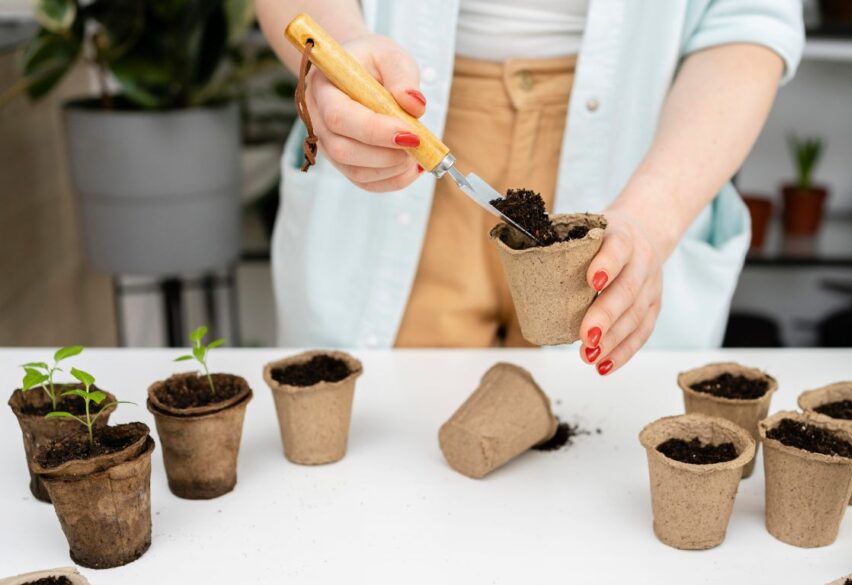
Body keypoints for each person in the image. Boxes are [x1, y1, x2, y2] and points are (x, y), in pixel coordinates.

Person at [255, 0, 804, 374]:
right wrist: (345, 51)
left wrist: (653, 216)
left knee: (587, 470)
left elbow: (749, 21)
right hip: (401, 123)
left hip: (642, 150)